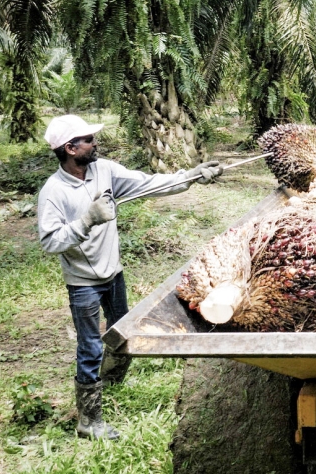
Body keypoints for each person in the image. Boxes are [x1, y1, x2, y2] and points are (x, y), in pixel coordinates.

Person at [37, 115, 222, 440]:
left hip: (113, 273)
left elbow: (147, 184)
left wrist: (190, 177)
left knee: (121, 331)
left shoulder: (104, 170)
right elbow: (50, 241)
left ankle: (108, 381)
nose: (95, 143)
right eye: (88, 140)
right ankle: (89, 421)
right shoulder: (53, 191)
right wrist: (86, 221)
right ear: (70, 148)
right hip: (83, 283)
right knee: (90, 346)